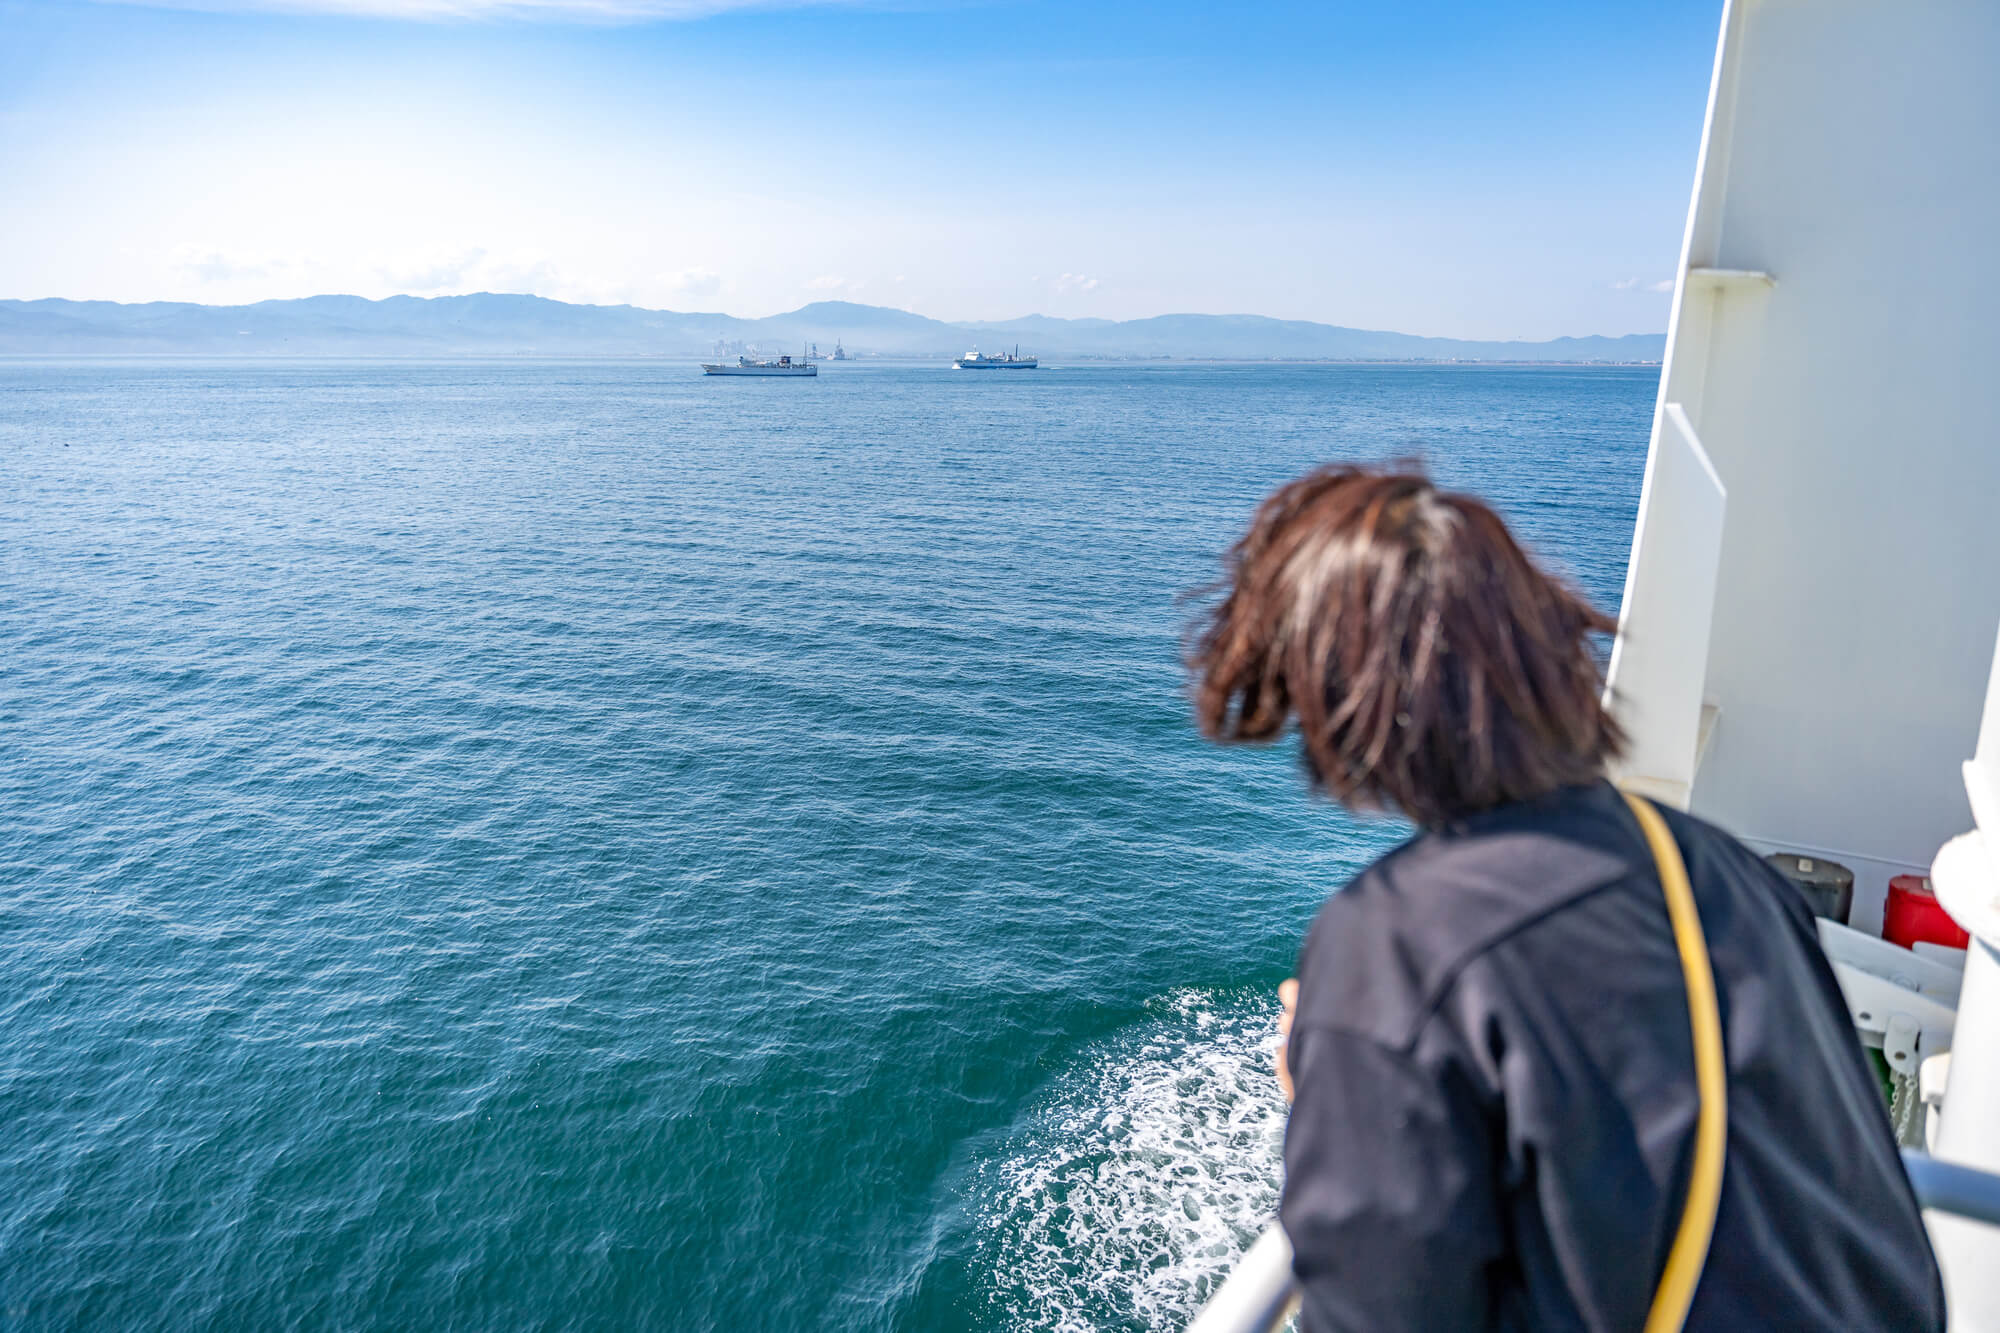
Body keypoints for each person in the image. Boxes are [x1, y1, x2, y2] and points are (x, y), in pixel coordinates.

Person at [1187, 464, 1945, 1331]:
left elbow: (1378, 1309)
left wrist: (1346, 1075)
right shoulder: (1718, 868)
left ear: (1339, 699)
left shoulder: (1396, 945)